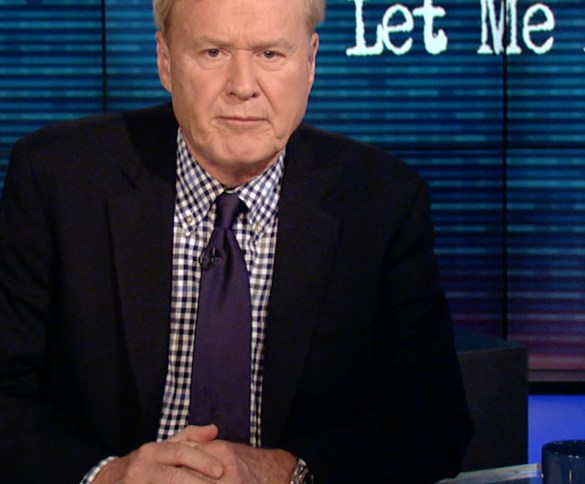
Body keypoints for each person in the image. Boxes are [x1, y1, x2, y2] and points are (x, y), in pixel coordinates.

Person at [0, 0, 472, 481]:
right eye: (213, 52)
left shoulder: (381, 202)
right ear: (165, 61)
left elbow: (431, 426)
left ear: (310, 62)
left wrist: (284, 472)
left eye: (270, 54)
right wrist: (108, 476)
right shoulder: (57, 180)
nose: (243, 86)